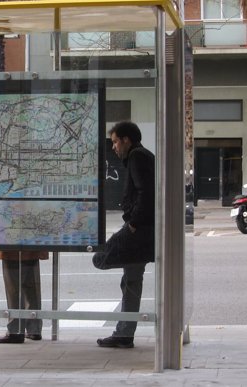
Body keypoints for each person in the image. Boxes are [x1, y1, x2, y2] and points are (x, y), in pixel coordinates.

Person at [94, 121, 155, 349]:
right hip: (142, 229)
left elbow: (146, 193)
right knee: (131, 280)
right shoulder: (142, 155)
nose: (113, 147)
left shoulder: (138, 157)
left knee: (102, 259)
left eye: (115, 142)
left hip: (139, 230)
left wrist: (133, 224)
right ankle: (124, 332)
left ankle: (124, 333)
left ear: (126, 140)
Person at [0, 250, 49, 344]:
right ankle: (34, 329)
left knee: (13, 288)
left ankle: (16, 330)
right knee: (32, 286)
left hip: (12, 248)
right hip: (32, 248)